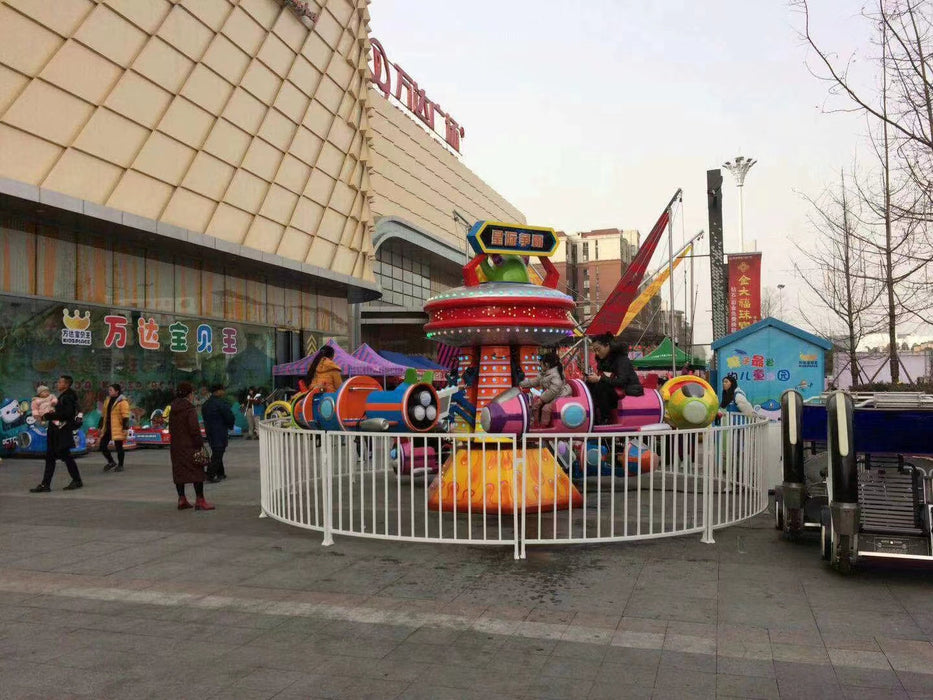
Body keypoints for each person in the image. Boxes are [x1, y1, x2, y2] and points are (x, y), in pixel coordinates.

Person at [30, 375, 83, 492]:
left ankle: (75, 480)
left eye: (60, 382)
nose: (58, 384)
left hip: (61, 431)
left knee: (63, 456)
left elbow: (67, 414)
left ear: (66, 384)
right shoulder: (64, 396)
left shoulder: (67, 397)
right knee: (53, 457)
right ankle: (46, 484)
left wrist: (49, 415)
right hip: (57, 431)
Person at [169, 381, 214, 511]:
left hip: (176, 446)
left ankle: (182, 499)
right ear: (189, 394)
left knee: (179, 472)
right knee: (197, 471)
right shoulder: (189, 409)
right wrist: (199, 444)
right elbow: (194, 429)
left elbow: (171, 428)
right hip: (190, 445)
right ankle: (200, 500)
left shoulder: (173, 408)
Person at [585, 333, 644, 425]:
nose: (596, 353)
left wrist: (600, 379)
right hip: (613, 392)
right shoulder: (603, 361)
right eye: (594, 350)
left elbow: (622, 381)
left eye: (598, 349)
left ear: (607, 345)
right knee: (589, 385)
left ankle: (605, 418)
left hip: (627, 389)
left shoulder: (621, 359)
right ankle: (593, 415)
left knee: (601, 387)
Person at [520, 352, 571, 427]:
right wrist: (521, 384)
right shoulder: (545, 373)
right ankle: (535, 423)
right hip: (552, 396)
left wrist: (542, 400)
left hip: (560, 396)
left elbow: (554, 390)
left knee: (546, 409)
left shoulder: (555, 374)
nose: (540, 366)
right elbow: (535, 381)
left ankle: (544, 427)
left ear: (546, 364)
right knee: (535, 403)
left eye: (541, 364)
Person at [202, 383, 235, 483]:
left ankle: (220, 473)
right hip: (219, 432)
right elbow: (229, 417)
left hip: (210, 432)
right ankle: (210, 474)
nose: (224, 392)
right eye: (222, 390)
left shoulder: (206, 404)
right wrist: (230, 425)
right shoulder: (221, 403)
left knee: (217, 451)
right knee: (218, 452)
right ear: (218, 391)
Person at [99, 384, 130, 473]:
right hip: (108, 427)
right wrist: (100, 425)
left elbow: (125, 416)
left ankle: (120, 465)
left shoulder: (123, 402)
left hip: (118, 427)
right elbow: (103, 414)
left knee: (119, 447)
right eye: (109, 390)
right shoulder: (107, 400)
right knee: (102, 446)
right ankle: (111, 462)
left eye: (111, 390)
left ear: (117, 391)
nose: (109, 392)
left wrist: (125, 427)